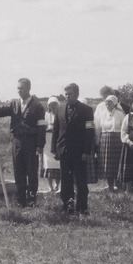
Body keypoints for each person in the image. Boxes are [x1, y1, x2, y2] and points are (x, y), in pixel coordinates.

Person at [0, 78, 46, 207]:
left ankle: (31, 201)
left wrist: (40, 145)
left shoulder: (37, 105)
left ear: (29, 88)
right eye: (18, 88)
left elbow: (42, 128)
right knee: (18, 172)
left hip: (31, 143)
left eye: (22, 88)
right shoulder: (13, 104)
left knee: (31, 172)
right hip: (17, 142)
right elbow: (0, 110)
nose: (19, 90)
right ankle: (20, 201)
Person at [51, 83, 95, 215]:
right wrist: (54, 148)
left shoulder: (87, 110)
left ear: (77, 94)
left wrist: (87, 151)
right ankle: (67, 205)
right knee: (66, 180)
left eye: (70, 94)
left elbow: (90, 132)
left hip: (79, 152)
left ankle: (82, 208)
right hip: (64, 151)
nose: (67, 96)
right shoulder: (60, 109)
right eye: (65, 94)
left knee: (81, 181)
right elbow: (56, 130)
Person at [94, 95, 125, 192]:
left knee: (116, 163)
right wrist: (97, 142)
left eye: (110, 102)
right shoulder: (101, 114)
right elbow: (98, 129)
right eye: (106, 102)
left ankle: (118, 186)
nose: (107, 104)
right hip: (104, 140)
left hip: (117, 140)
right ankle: (110, 186)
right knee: (106, 164)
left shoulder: (120, 114)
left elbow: (124, 128)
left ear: (115, 104)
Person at [40, 96, 61, 193]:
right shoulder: (46, 115)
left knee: (58, 163)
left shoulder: (61, 115)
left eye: (55, 104)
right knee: (48, 164)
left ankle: (57, 185)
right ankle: (50, 187)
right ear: (48, 106)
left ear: (58, 105)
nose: (53, 106)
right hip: (47, 141)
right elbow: (42, 127)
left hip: (58, 140)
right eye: (51, 105)